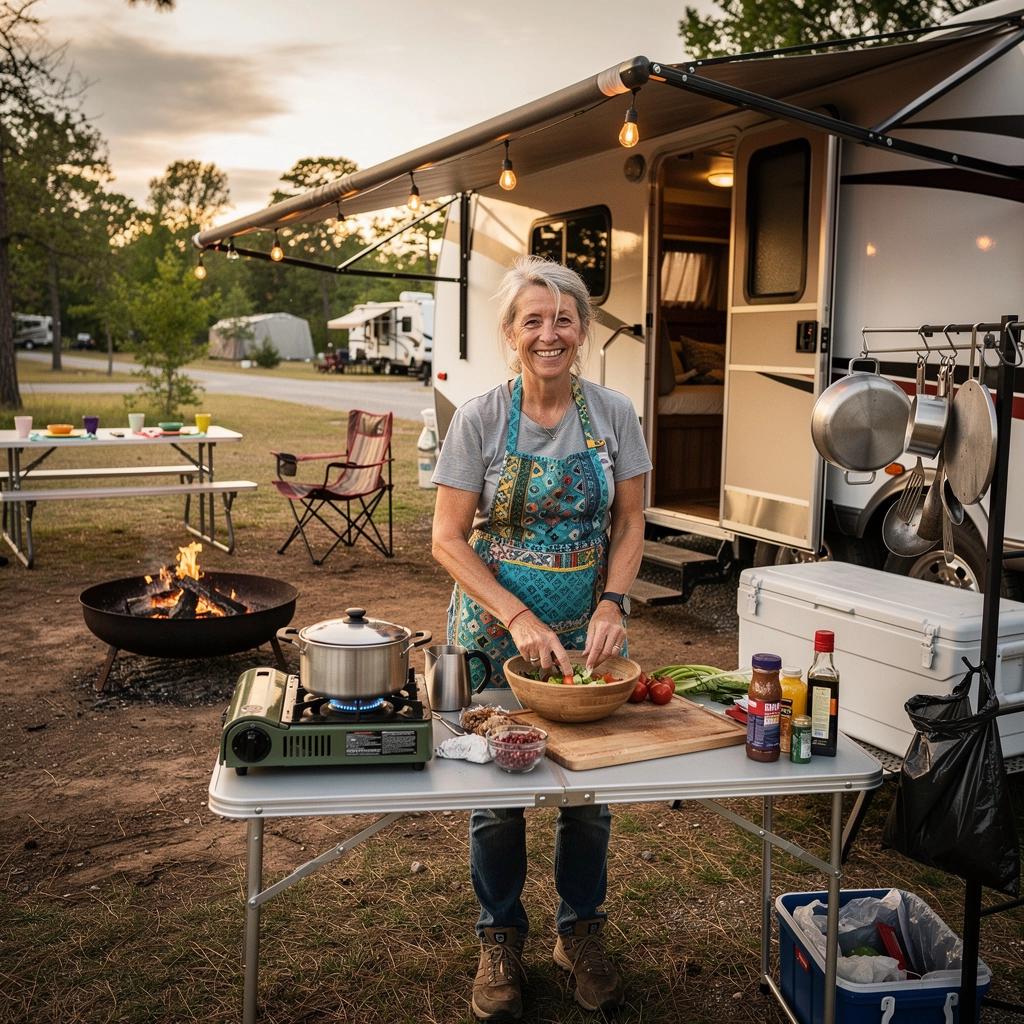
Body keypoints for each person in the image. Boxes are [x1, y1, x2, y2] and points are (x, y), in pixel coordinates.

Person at [431, 256, 651, 1020]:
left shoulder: (615, 413)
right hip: (497, 639)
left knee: (586, 794)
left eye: (563, 319)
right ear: (511, 334)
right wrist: (517, 618)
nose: (549, 334)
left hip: (583, 646)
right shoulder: (481, 417)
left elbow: (630, 522)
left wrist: (614, 601)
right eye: (533, 320)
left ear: (583, 332)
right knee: (500, 795)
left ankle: (579, 932)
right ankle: (500, 938)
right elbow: (448, 540)